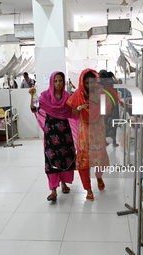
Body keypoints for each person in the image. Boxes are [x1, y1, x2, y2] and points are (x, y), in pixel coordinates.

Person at [29, 71, 77, 202]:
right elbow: (34, 109)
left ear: (63, 81)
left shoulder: (67, 96)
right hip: (51, 132)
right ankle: (53, 190)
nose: (58, 83)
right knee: (52, 159)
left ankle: (64, 183)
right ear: (51, 82)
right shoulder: (44, 96)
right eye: (55, 81)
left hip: (64, 132)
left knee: (65, 157)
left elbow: (71, 112)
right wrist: (32, 96)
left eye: (60, 80)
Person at [66, 69, 112, 201]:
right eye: (86, 83)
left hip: (98, 131)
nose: (89, 85)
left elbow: (107, 109)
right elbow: (74, 112)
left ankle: (98, 177)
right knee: (84, 162)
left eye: (92, 82)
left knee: (99, 158)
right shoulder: (78, 94)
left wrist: (96, 100)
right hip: (85, 133)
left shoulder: (101, 93)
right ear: (82, 83)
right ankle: (88, 189)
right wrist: (80, 107)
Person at [99, 70, 119, 147]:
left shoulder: (100, 84)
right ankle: (114, 142)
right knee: (114, 124)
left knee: (104, 124)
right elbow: (118, 83)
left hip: (104, 106)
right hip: (113, 106)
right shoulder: (113, 82)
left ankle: (105, 142)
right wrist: (113, 75)